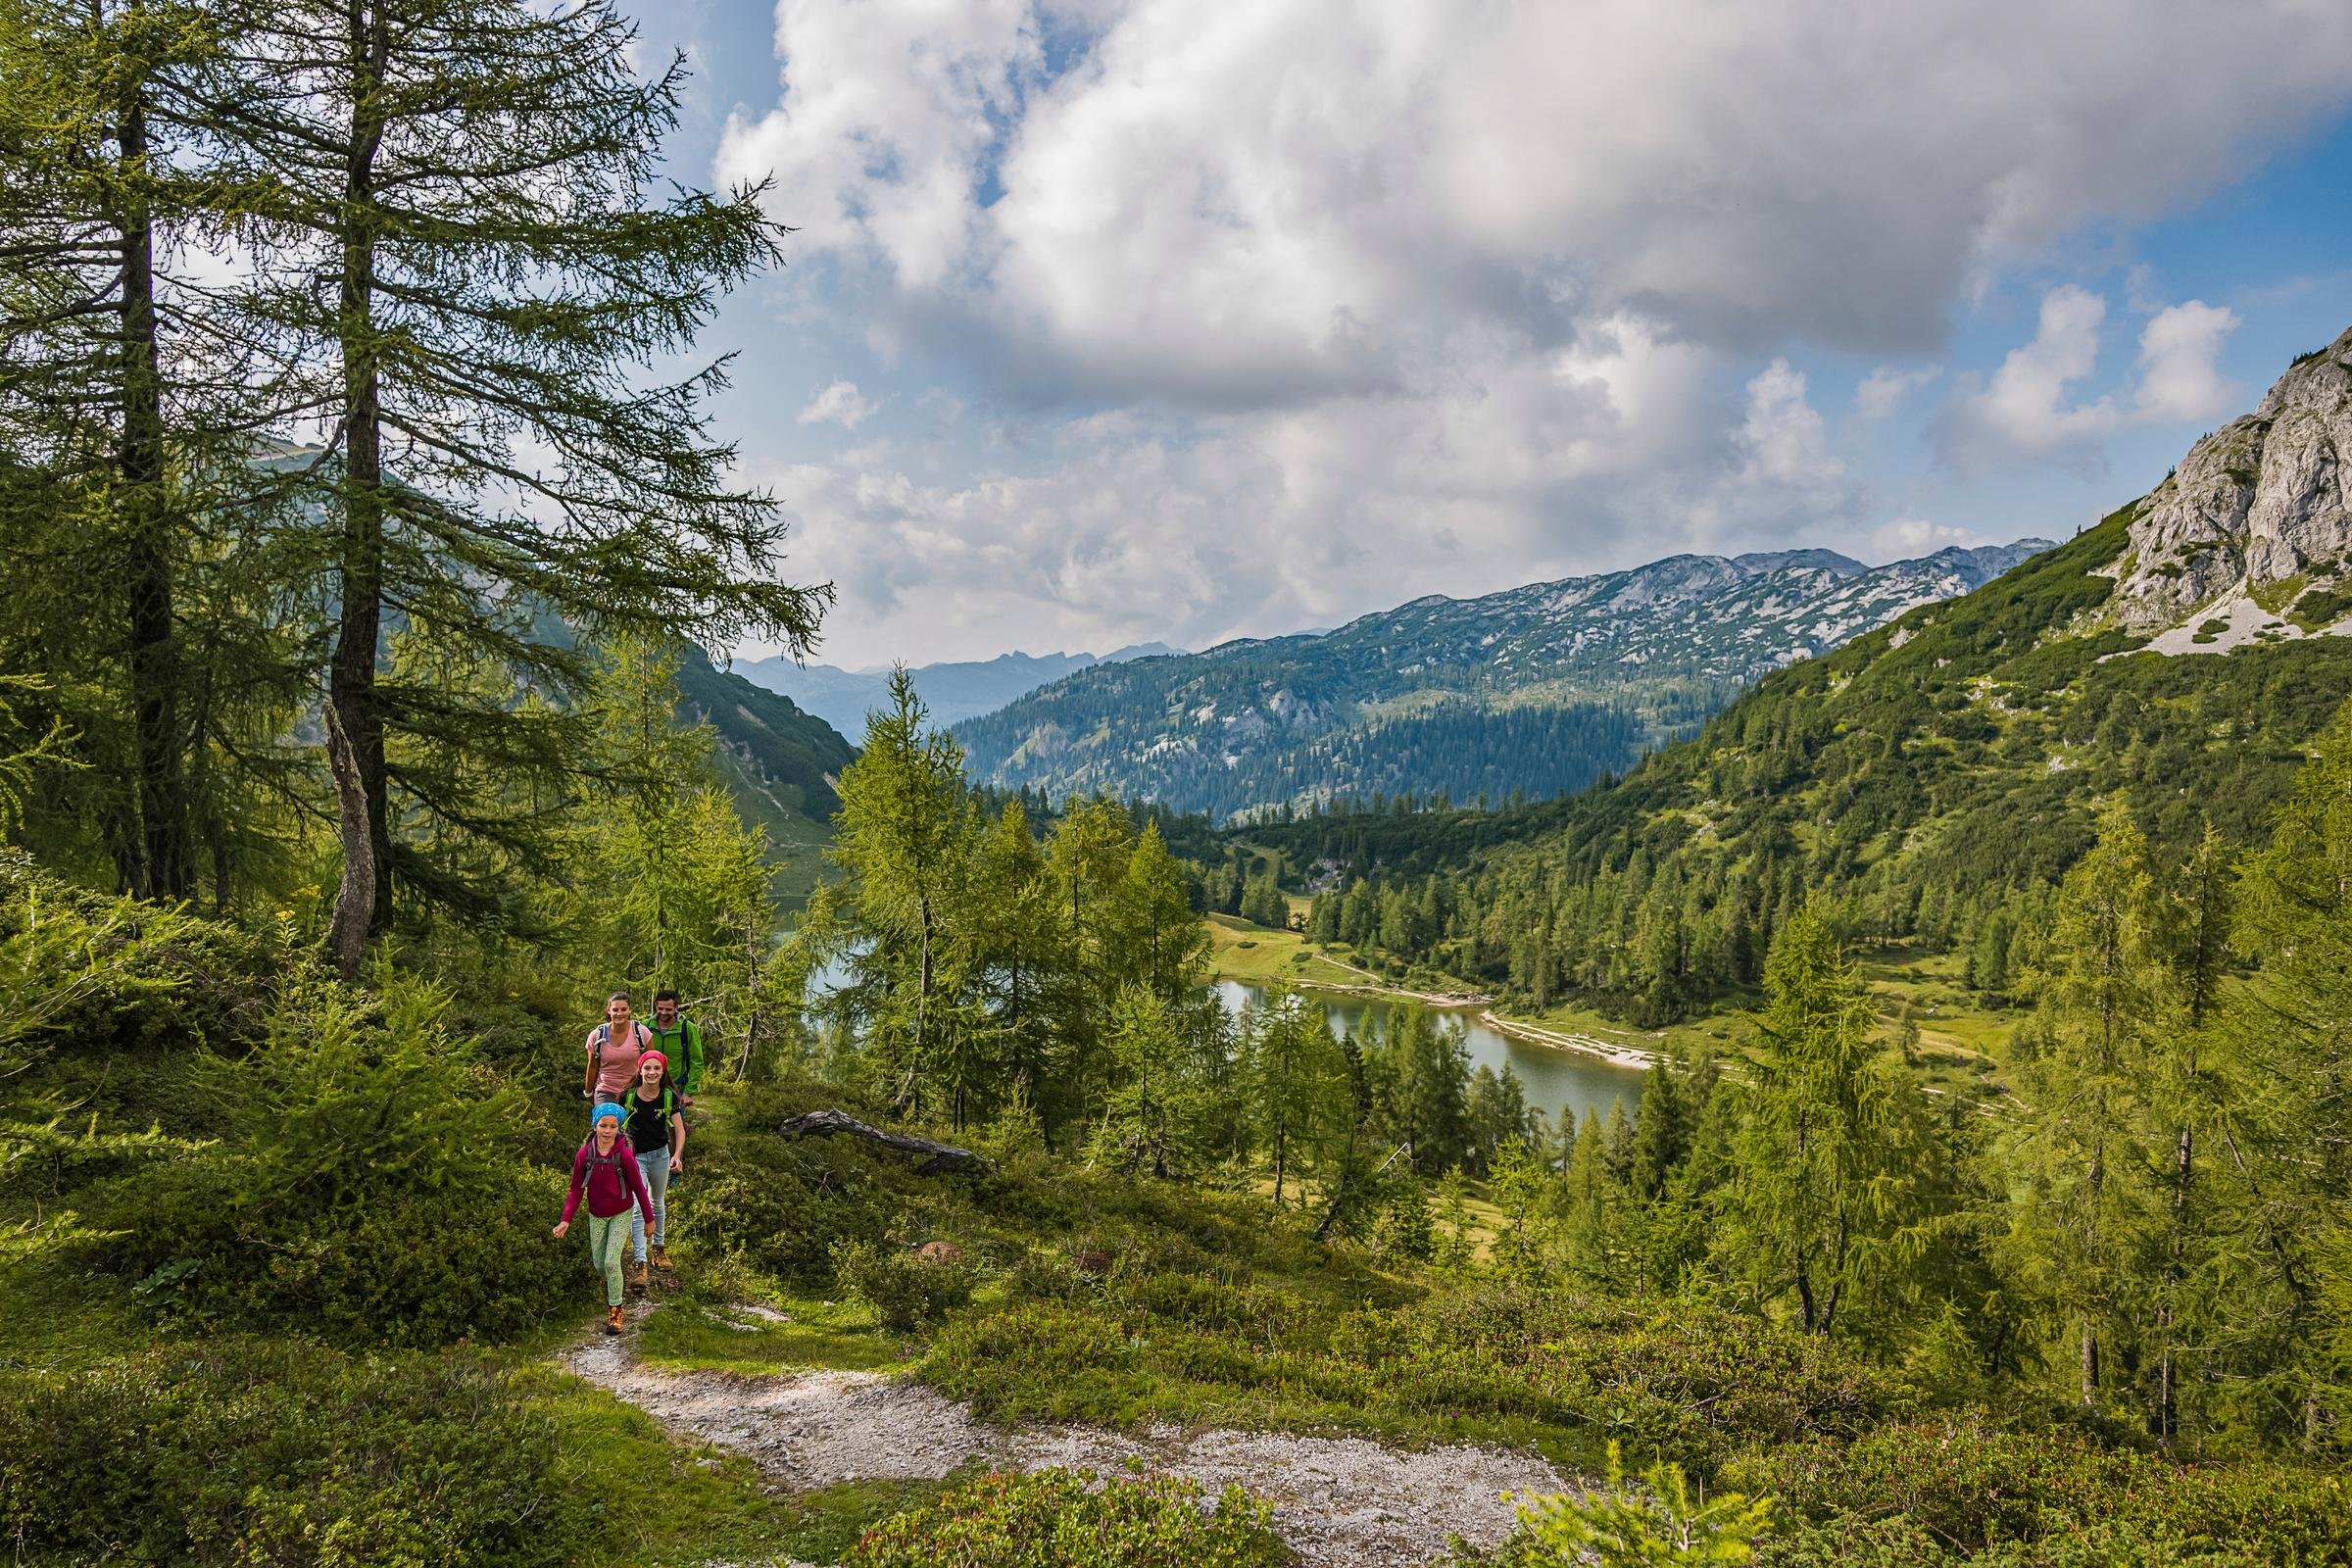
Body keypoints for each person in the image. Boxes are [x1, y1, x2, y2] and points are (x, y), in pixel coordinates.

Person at [553, 1102, 656, 1335]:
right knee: (600, 1265)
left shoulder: (625, 1156)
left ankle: (616, 1313)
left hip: (621, 1213)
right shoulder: (584, 1155)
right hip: (596, 1215)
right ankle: (613, 1284)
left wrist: (649, 1219)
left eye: (612, 1126)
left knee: (610, 1262)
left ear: (618, 1128)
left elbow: (639, 1188)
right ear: (595, 1126)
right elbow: (575, 1190)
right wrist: (565, 1219)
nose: (608, 1131)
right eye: (603, 1125)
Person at [622, 1050, 687, 1288]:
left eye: (656, 1068)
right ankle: (640, 1263)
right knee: (639, 1206)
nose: (651, 1072)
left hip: (661, 1155)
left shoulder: (669, 1097)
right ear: (640, 1070)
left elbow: (679, 1130)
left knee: (657, 1202)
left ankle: (659, 1250)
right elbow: (615, 1128)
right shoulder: (628, 1097)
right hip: (635, 1158)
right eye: (647, 1068)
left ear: (663, 1072)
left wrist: (677, 1155)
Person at [582, 991, 651, 1111]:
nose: (619, 1013)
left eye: (623, 1009)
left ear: (630, 1011)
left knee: (632, 1129)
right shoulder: (597, 1036)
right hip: (605, 1090)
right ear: (609, 1011)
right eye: (615, 1010)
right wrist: (588, 1092)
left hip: (635, 1090)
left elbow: (651, 1063)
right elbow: (592, 1066)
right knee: (607, 1127)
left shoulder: (641, 1033)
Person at [647, 990, 705, 1105]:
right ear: (655, 1007)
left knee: (675, 1123)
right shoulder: (646, 1026)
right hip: (647, 1088)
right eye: (660, 1009)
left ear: (676, 1008)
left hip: (675, 1089)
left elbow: (697, 1061)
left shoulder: (687, 1028)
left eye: (668, 1009)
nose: (663, 1012)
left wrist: (688, 1092)